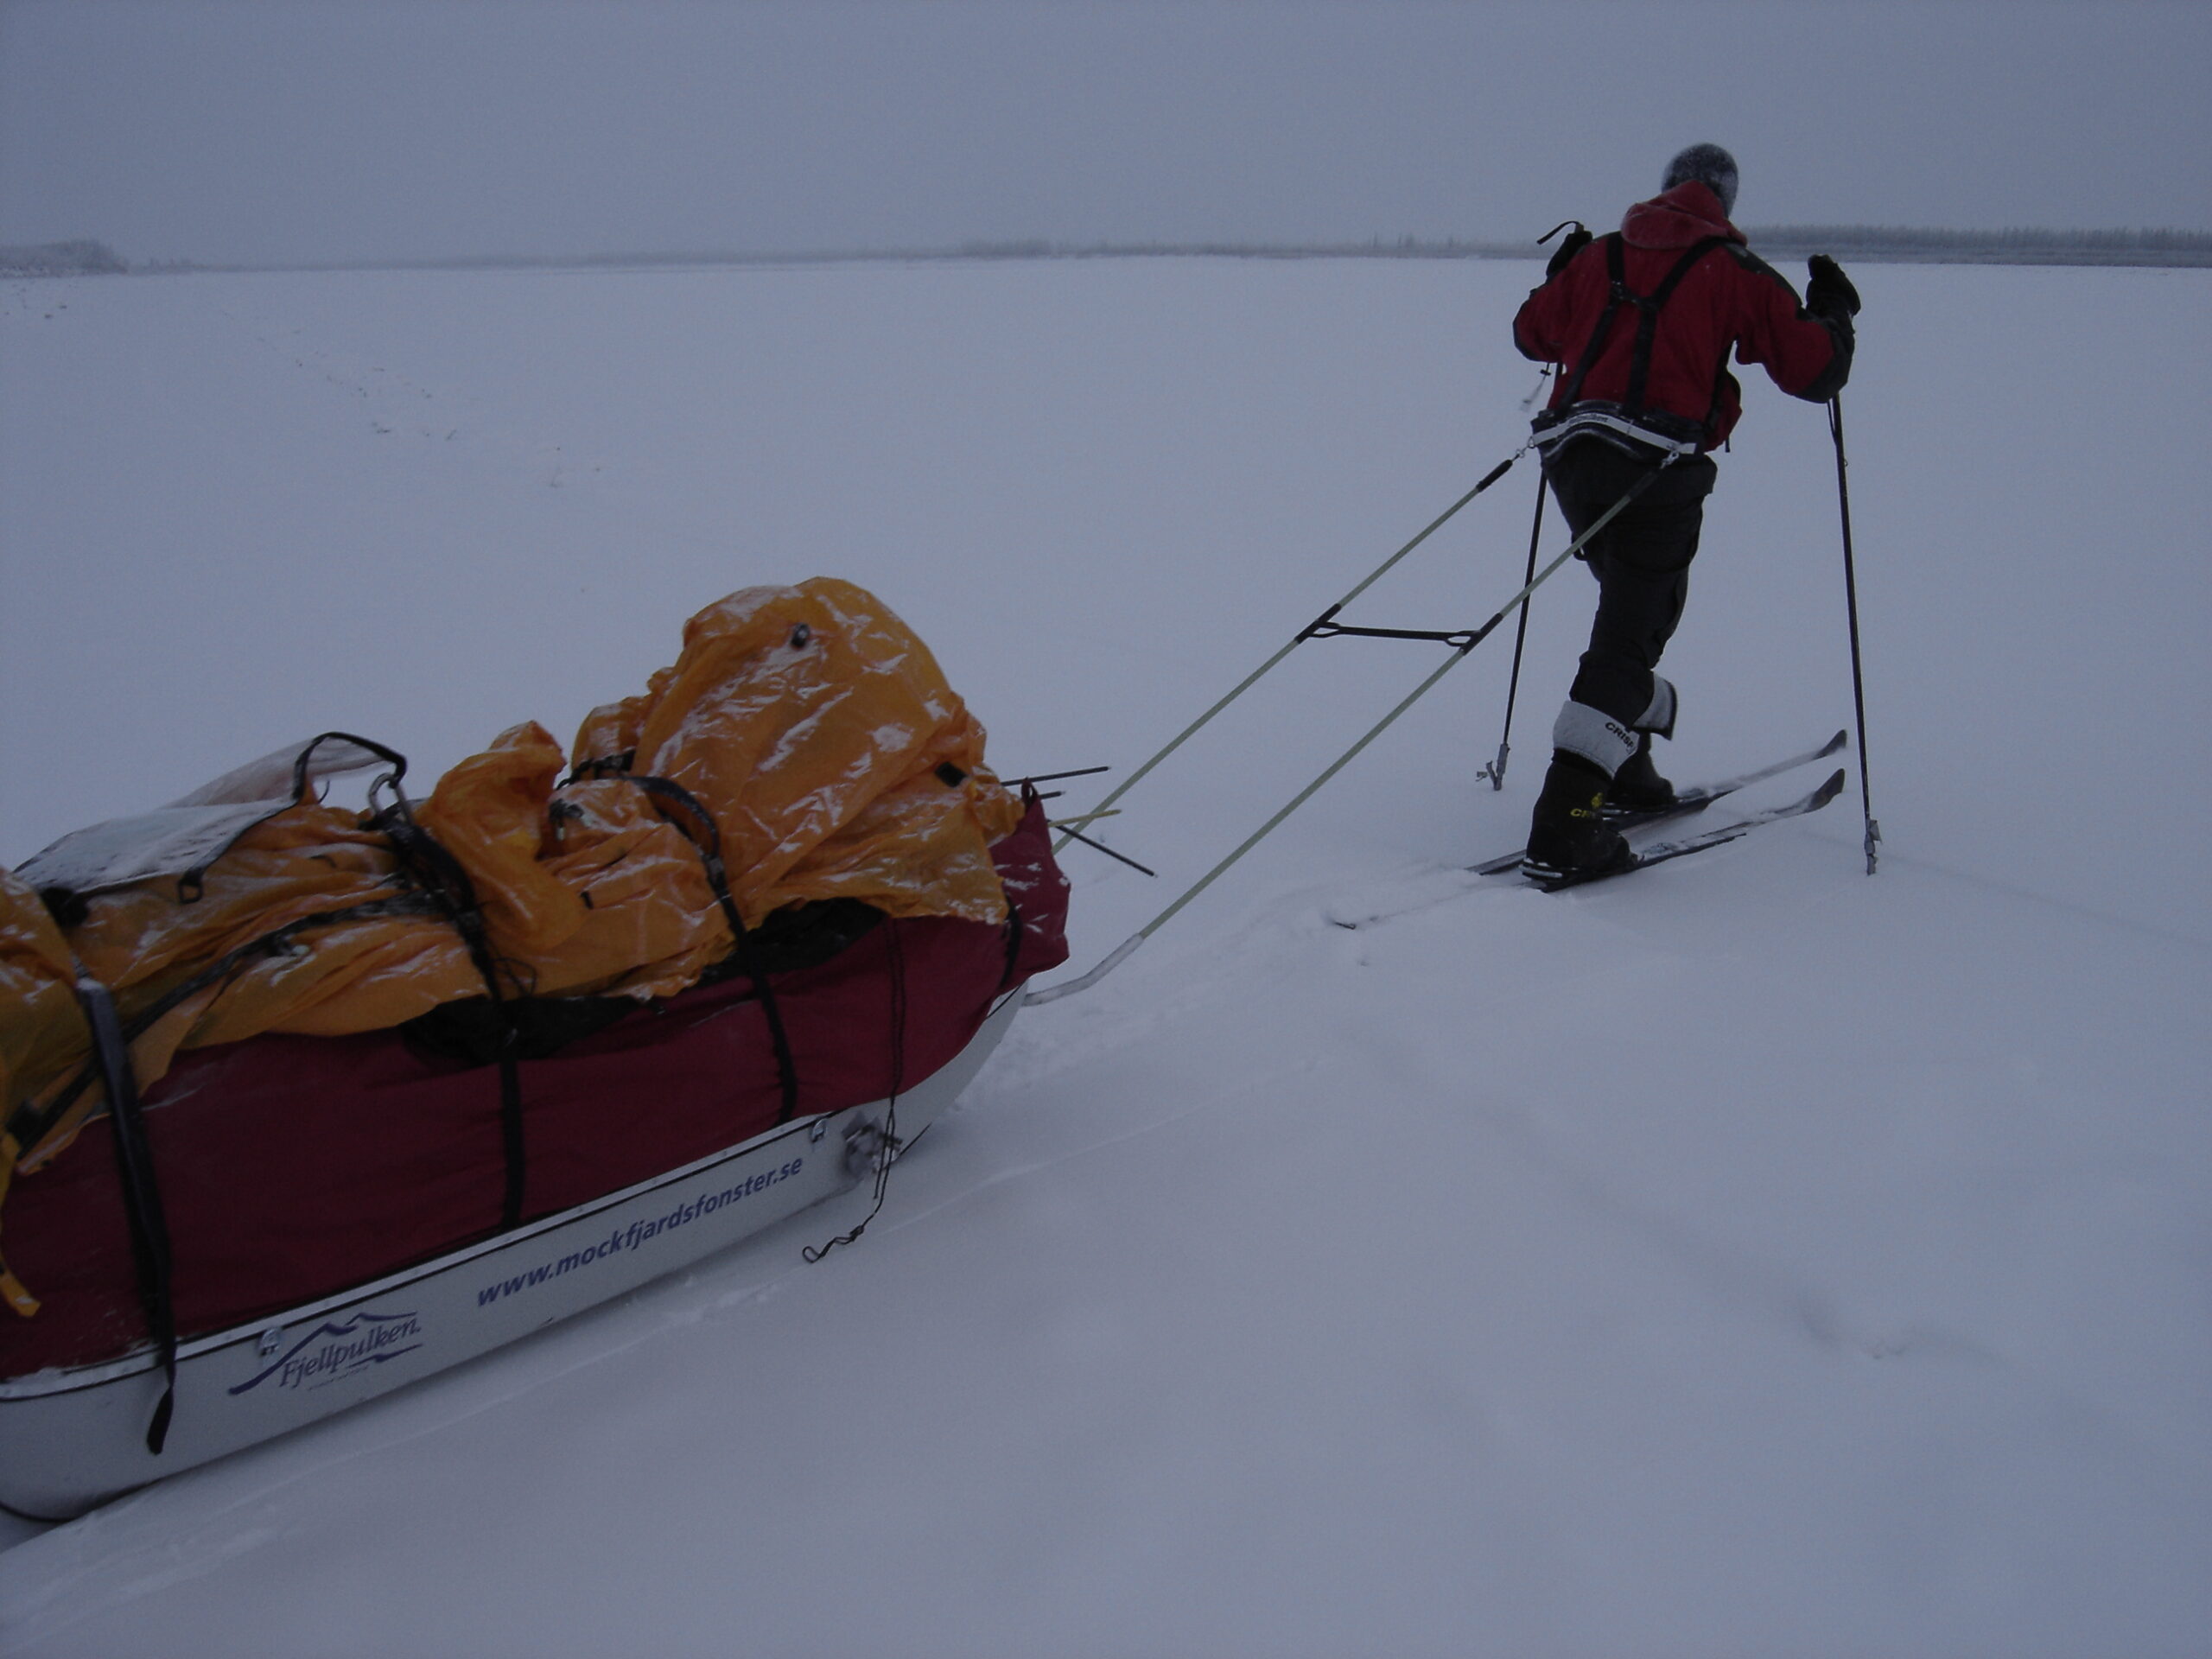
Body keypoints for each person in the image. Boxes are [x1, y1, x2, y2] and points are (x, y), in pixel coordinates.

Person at [1511, 143, 1859, 880]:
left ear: (1665, 189)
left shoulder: (1601, 255)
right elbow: (1814, 371)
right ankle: (1566, 826)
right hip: (1655, 473)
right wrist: (1835, 312)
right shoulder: (1731, 270)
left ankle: (1626, 770)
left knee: (1632, 618)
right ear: (1723, 202)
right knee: (1628, 640)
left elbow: (1531, 333)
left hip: (1572, 462)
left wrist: (1562, 275)